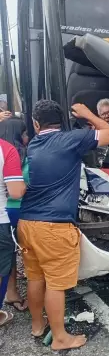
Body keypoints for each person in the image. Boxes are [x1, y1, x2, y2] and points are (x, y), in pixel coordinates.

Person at [18, 100, 109, 351]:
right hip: (53, 227)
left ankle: (37, 325)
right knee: (56, 283)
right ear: (61, 121)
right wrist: (87, 114)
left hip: (27, 224)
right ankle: (61, 338)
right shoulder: (70, 140)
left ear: (35, 123)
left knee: (35, 277)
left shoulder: (34, 144)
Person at [0, 116, 28, 313]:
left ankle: (11, 292)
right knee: (12, 256)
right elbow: (17, 191)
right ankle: (11, 293)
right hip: (17, 210)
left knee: (9, 257)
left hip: (7, 211)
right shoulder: (12, 152)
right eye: (25, 133)